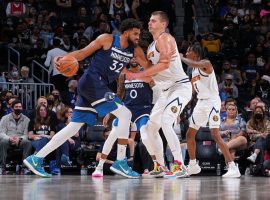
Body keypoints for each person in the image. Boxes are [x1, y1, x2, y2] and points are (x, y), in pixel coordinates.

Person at [24, 18, 146, 178]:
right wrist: (63, 58)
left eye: (139, 34)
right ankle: (121, 161)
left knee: (73, 127)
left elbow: (149, 66)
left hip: (96, 86)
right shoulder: (107, 39)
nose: (138, 36)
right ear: (126, 32)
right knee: (126, 114)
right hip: (92, 82)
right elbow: (82, 53)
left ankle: (36, 158)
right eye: (135, 33)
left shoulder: (134, 50)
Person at [126, 11, 192, 178]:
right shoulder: (150, 47)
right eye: (149, 20)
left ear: (163, 24)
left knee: (166, 121)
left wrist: (138, 75)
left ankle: (179, 165)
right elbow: (152, 73)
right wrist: (137, 62)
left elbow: (164, 64)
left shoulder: (166, 39)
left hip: (180, 87)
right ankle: (160, 165)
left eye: (153, 20)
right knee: (148, 128)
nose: (149, 23)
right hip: (166, 91)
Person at [180, 43, 241, 178]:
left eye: (188, 51)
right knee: (190, 134)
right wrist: (182, 107)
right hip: (201, 103)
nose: (186, 53)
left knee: (215, 135)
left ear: (196, 53)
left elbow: (192, 63)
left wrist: (181, 58)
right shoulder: (194, 71)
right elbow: (191, 91)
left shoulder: (205, 63)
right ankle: (193, 165)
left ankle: (232, 167)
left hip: (212, 101)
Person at [92, 58, 154, 177]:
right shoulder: (123, 75)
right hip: (127, 110)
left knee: (146, 137)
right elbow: (119, 95)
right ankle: (99, 168)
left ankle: (156, 166)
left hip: (143, 110)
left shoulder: (147, 72)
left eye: (136, 57)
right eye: (132, 57)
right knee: (112, 135)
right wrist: (110, 112)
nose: (134, 59)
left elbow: (156, 90)